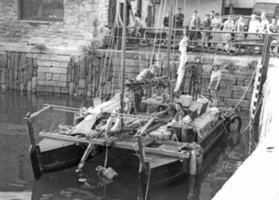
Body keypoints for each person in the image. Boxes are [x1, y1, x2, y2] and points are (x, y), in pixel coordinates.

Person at [174, 28, 188, 93]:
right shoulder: (183, 38)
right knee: (179, 74)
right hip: (182, 55)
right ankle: (176, 88)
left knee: (180, 76)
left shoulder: (185, 39)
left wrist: (183, 65)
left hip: (183, 56)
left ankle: (177, 89)